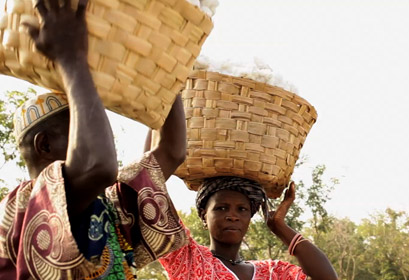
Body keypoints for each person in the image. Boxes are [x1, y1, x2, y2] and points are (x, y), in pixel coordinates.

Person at [0, 0, 187, 278]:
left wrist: (167, 73)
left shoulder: (109, 208)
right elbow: (97, 166)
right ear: (45, 145)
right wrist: (70, 58)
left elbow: (172, 151)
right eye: (81, 126)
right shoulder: (27, 204)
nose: (103, 138)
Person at [158, 176, 339, 280]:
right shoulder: (190, 260)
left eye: (242, 209)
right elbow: (149, 190)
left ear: (249, 218)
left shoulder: (271, 273)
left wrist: (279, 226)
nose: (232, 215)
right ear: (204, 216)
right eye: (221, 208)